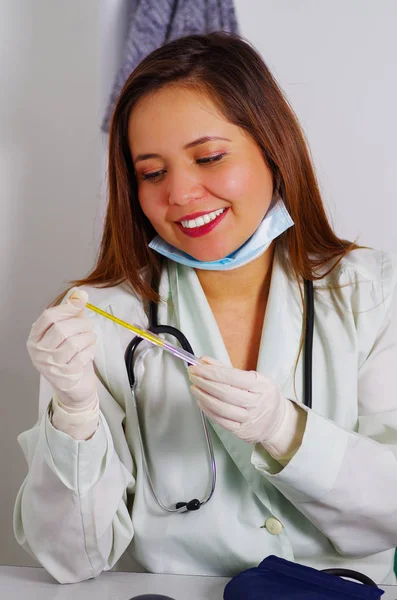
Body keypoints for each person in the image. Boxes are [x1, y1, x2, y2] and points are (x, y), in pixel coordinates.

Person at [14, 32, 397, 586]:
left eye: (210, 157)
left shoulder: (369, 291)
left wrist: (285, 430)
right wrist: (72, 419)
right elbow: (71, 561)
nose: (182, 192)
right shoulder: (94, 320)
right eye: (152, 172)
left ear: (273, 147)